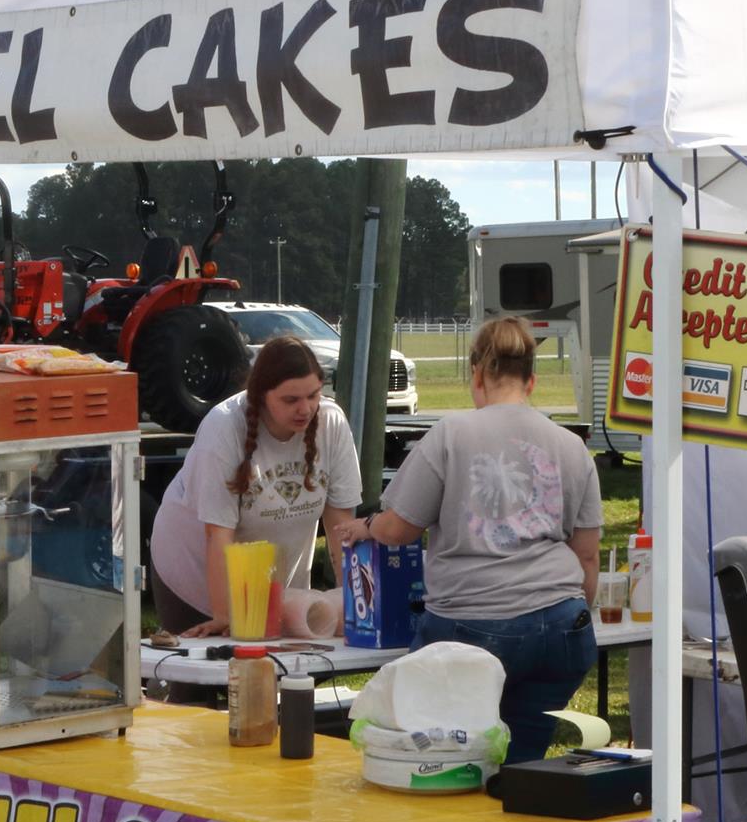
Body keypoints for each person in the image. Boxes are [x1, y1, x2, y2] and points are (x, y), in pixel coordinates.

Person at [333, 317, 602, 762]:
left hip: (470, 624)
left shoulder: (451, 434)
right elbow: (588, 556)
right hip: (561, 624)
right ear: (532, 380)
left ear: (476, 374)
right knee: (523, 762)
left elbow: (399, 529)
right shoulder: (571, 446)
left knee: (443, 757)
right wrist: (574, 614)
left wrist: (369, 524)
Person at [148, 337, 361, 637]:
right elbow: (218, 533)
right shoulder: (223, 426)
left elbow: (341, 526)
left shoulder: (331, 423)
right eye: (290, 400)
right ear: (260, 395)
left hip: (273, 581)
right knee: (213, 661)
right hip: (194, 573)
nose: (305, 409)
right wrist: (225, 615)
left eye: (313, 395)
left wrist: (351, 603)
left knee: (286, 661)